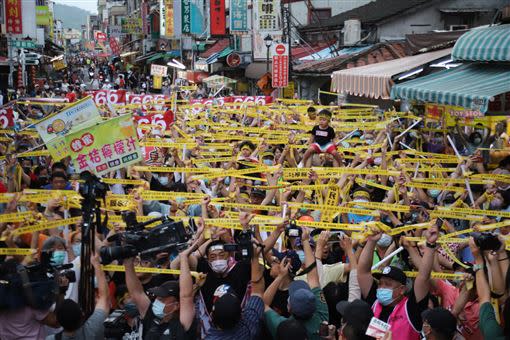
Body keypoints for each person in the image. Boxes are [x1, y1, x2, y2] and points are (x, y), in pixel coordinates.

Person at [357, 223, 439, 340]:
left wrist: (430, 245)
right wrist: (371, 241)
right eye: (380, 283)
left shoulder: (411, 309)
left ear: (402, 290)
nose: (381, 288)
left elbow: (423, 277)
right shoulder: (375, 302)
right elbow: (363, 272)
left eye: (388, 284)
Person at [205, 243, 265, 339]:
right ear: (241, 314)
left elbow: (185, 296)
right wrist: (255, 257)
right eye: (213, 256)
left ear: (211, 317)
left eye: (221, 255)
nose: (218, 259)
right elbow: (257, 291)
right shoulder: (250, 328)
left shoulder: (209, 337)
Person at [47, 253, 109, 339]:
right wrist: (97, 265)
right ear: (82, 315)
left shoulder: (50, 339)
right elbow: (104, 297)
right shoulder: (92, 329)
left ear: (58, 320)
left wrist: (62, 292)